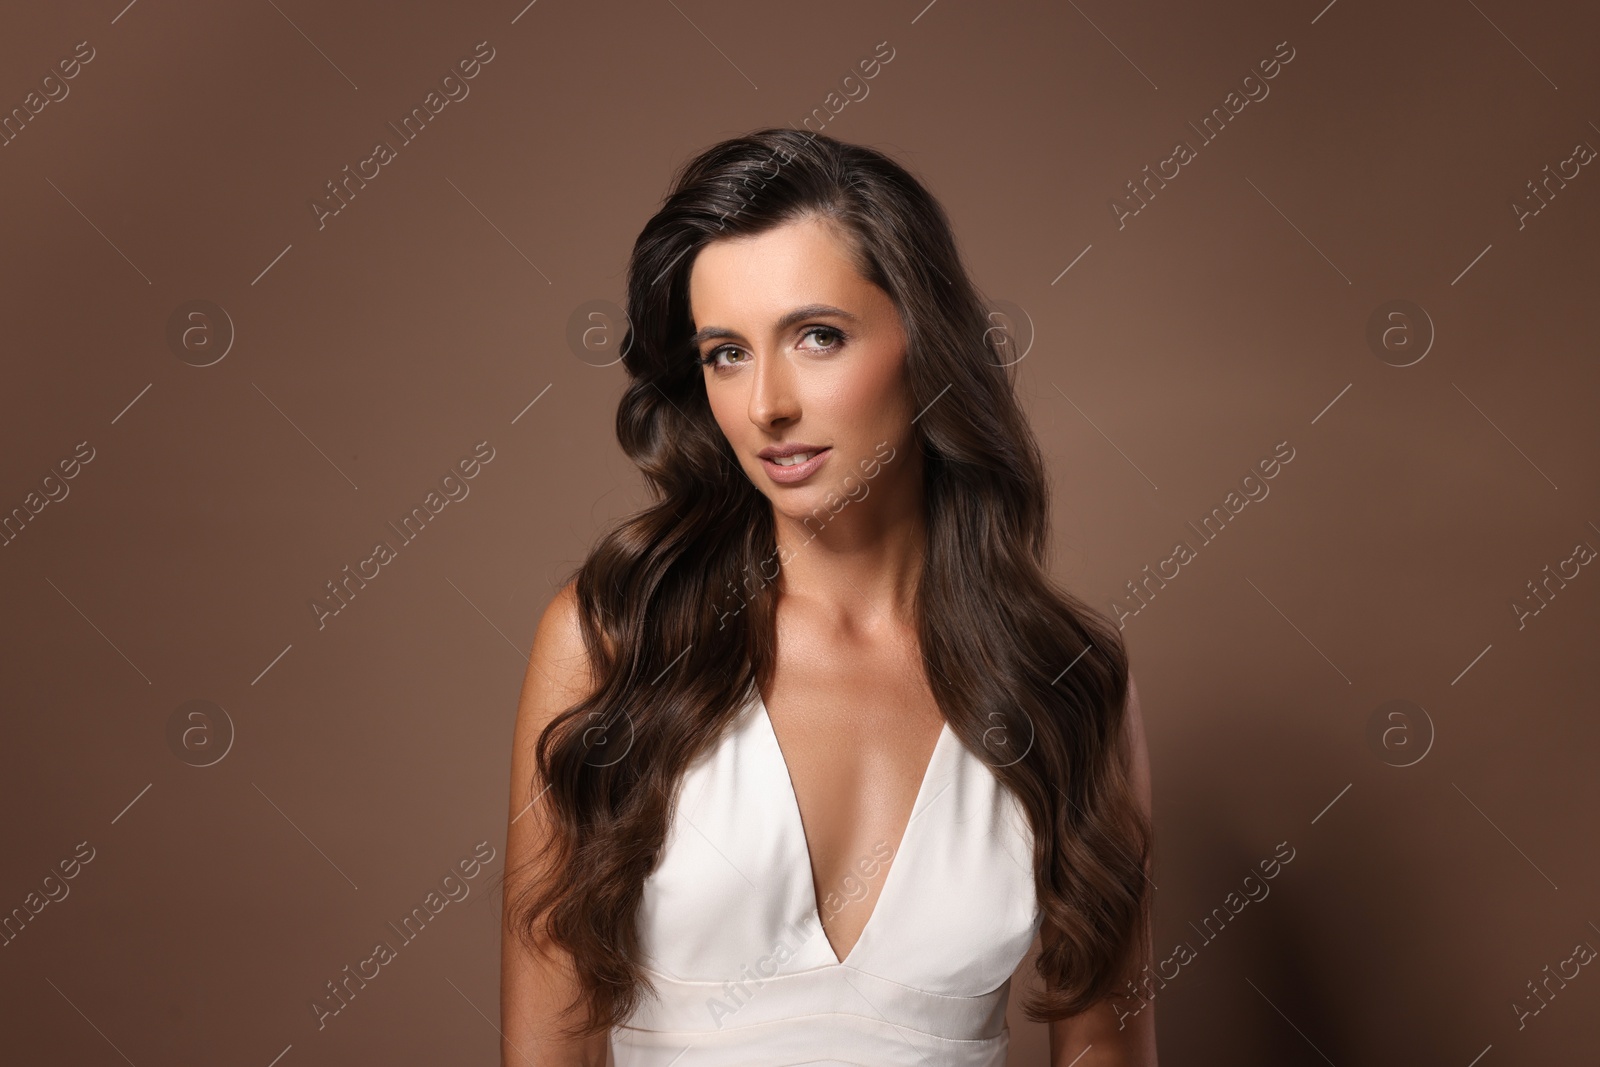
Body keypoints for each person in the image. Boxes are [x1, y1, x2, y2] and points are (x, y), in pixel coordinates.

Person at [500, 127, 1157, 1066]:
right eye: (726, 353)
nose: (767, 403)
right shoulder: (613, 643)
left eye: (817, 337)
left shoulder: (1069, 683)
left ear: (925, 343)